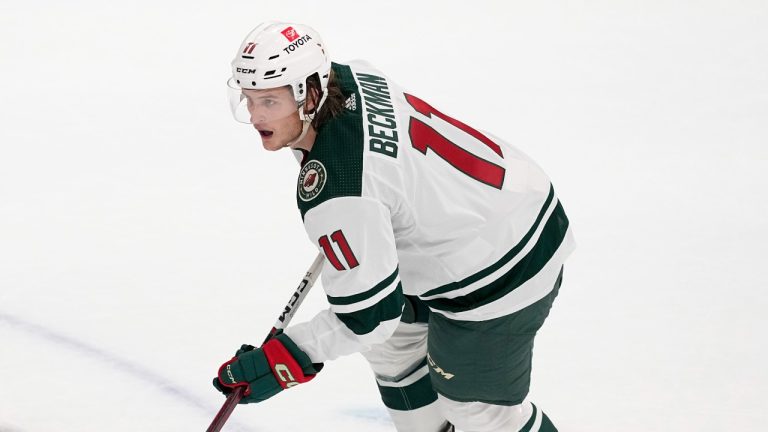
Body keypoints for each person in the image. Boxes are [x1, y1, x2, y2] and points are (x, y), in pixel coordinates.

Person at [213, 21, 575, 432]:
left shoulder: (341, 190)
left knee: (475, 409)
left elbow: (369, 315)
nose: (255, 115)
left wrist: (287, 355)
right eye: (248, 99)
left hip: (506, 262)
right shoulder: (350, 76)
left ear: (310, 93)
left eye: (269, 102)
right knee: (391, 346)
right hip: (501, 200)